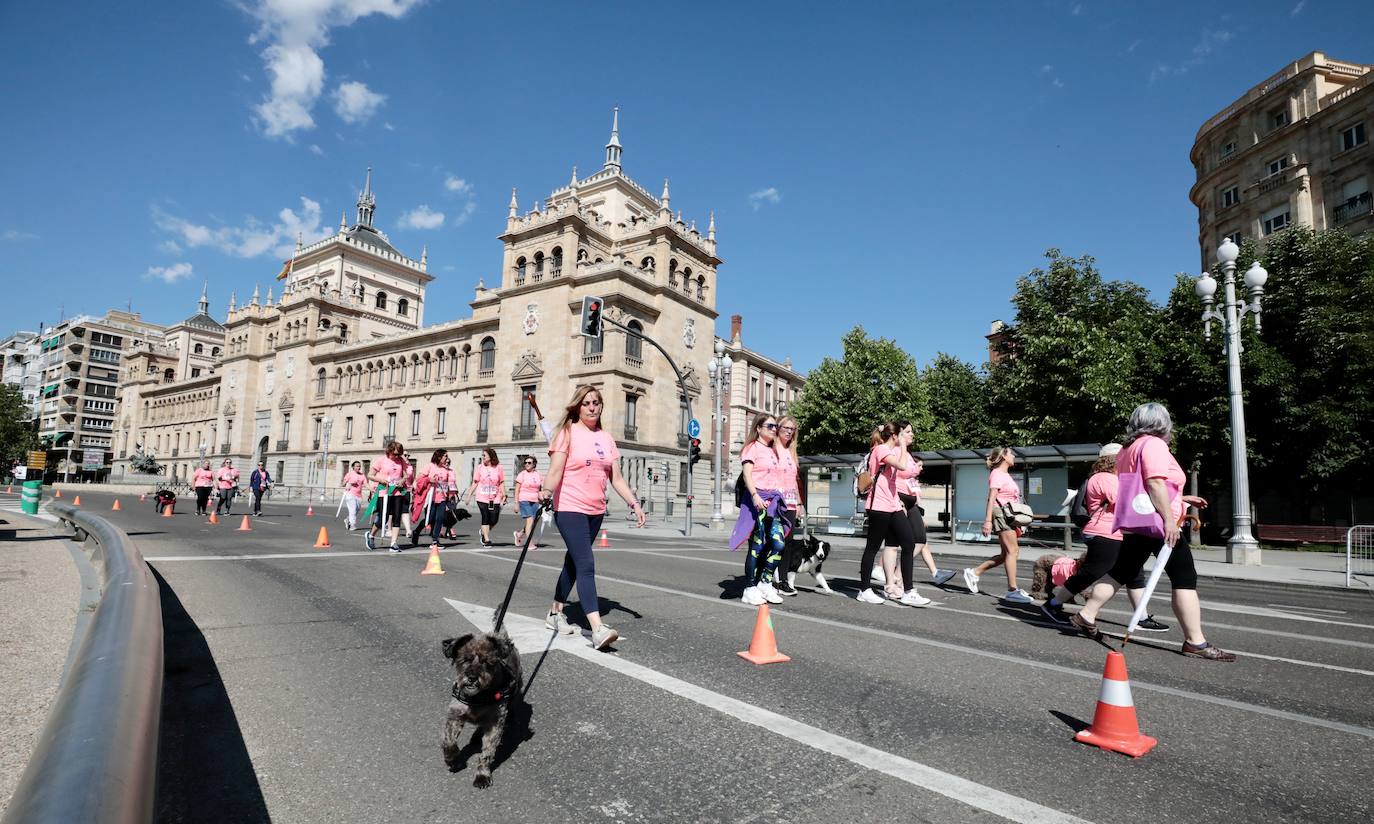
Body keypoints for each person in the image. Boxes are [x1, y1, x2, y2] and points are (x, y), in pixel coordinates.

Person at [1073, 403, 1234, 660]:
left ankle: (1086, 614)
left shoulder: (1128, 448)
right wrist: (1169, 519)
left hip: (1138, 521)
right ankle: (1195, 641)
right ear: (1162, 422)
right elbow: (1155, 483)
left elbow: (1141, 487)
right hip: (1159, 523)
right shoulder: (1154, 444)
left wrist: (1183, 498)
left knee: (1120, 572)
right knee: (1184, 578)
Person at [540, 385, 645, 650]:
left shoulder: (607, 438)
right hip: (569, 506)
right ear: (577, 406)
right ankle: (598, 629)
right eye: (586, 403)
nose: (592, 407)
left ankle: (555, 613)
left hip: (596, 510)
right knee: (586, 563)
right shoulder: (566, 433)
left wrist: (634, 503)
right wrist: (545, 490)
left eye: (596, 402)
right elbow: (555, 470)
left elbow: (617, 478)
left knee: (573, 564)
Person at [1039, 444, 1170, 632]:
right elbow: (1127, 503)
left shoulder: (1108, 478)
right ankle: (1053, 604)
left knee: (1134, 575)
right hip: (1105, 533)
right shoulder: (1105, 478)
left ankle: (1141, 617)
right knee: (1091, 572)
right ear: (1114, 459)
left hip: (1116, 533)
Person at [855, 422, 928, 607]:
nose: (908, 437)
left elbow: (907, 470)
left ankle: (909, 591)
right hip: (878, 505)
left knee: (909, 543)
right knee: (872, 547)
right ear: (895, 435)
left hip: (893, 504)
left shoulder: (891, 450)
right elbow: (902, 466)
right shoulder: (880, 450)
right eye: (904, 434)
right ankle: (864, 590)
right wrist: (903, 445)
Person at [880, 433, 956, 598]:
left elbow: (911, 471)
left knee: (920, 540)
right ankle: (891, 584)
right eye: (907, 432)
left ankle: (898, 578)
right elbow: (903, 470)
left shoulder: (906, 452)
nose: (912, 434)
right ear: (898, 434)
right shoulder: (894, 450)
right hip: (897, 497)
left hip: (911, 501)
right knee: (894, 543)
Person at [731, 413, 790, 605]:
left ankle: (765, 583)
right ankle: (749, 588)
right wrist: (755, 496)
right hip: (757, 500)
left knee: (779, 544)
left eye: (775, 426)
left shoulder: (773, 450)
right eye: (770, 426)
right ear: (758, 428)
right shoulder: (751, 448)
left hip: (773, 502)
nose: (775, 429)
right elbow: (748, 475)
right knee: (756, 546)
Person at [964, 447, 1032, 603]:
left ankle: (974, 572)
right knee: (1013, 551)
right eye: (1011, 454)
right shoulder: (997, 474)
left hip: (1008, 516)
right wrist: (987, 521)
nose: (1014, 456)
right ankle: (1012, 590)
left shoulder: (1005, 474)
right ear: (1003, 457)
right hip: (1001, 514)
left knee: (1005, 555)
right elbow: (991, 498)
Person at [772, 415, 806, 596]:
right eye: (786, 428)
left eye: (792, 429)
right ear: (777, 428)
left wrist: (799, 502)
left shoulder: (792, 452)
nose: (789, 432)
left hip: (791, 503)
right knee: (774, 542)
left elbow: (794, 480)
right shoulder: (772, 449)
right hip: (775, 502)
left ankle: (783, 580)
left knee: (788, 543)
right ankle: (768, 577)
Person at [365, 440, 410, 552]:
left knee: (396, 517)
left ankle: (393, 543)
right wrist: (381, 480)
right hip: (383, 492)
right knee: (383, 517)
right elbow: (370, 475)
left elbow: (405, 475)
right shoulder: (381, 460)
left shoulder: (401, 461)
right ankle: (371, 535)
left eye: (398, 454)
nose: (396, 456)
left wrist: (402, 480)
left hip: (397, 492)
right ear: (389, 451)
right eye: (394, 454)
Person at [464, 448, 507, 548]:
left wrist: (504, 495)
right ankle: (486, 539)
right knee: (485, 517)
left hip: (494, 498)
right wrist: (469, 495)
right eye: (482, 455)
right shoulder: (480, 467)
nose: (482, 457)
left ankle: (483, 531)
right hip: (482, 497)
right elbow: (475, 482)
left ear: (491, 457)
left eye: (484, 455)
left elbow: (501, 482)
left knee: (494, 519)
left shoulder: (498, 468)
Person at [417, 449, 456, 552]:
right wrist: (430, 479)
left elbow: (450, 483)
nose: (447, 459)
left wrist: (452, 494)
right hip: (431, 498)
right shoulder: (430, 466)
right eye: (445, 456)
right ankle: (416, 532)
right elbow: (419, 478)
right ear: (439, 457)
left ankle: (435, 540)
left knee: (440, 519)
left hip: (442, 498)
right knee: (429, 519)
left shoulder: (446, 470)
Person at [514, 456, 543, 547]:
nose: (526, 464)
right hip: (524, 500)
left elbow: (541, 488)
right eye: (525, 463)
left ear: (534, 464)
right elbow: (517, 489)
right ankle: (529, 543)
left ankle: (519, 534)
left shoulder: (538, 475)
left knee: (531, 522)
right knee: (530, 521)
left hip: (535, 501)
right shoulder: (522, 474)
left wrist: (542, 498)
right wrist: (516, 503)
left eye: (529, 463)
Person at [341, 461, 367, 530]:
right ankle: (352, 525)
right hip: (350, 494)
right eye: (357, 466)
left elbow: (366, 484)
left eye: (359, 466)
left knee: (357, 510)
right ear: (353, 467)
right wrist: (349, 483)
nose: (358, 467)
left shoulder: (362, 475)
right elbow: (343, 484)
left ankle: (347, 519)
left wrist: (372, 490)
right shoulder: (349, 474)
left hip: (358, 495)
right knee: (353, 509)